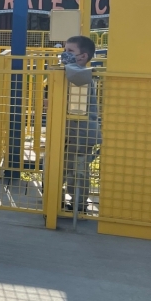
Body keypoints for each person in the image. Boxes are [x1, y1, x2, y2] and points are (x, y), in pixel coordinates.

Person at [60, 35, 100, 215]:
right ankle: (65, 202)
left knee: (78, 172)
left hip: (79, 134)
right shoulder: (73, 73)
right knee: (70, 169)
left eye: (70, 51)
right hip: (72, 133)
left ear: (83, 56)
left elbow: (75, 107)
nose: (64, 55)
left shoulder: (80, 75)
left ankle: (78, 205)